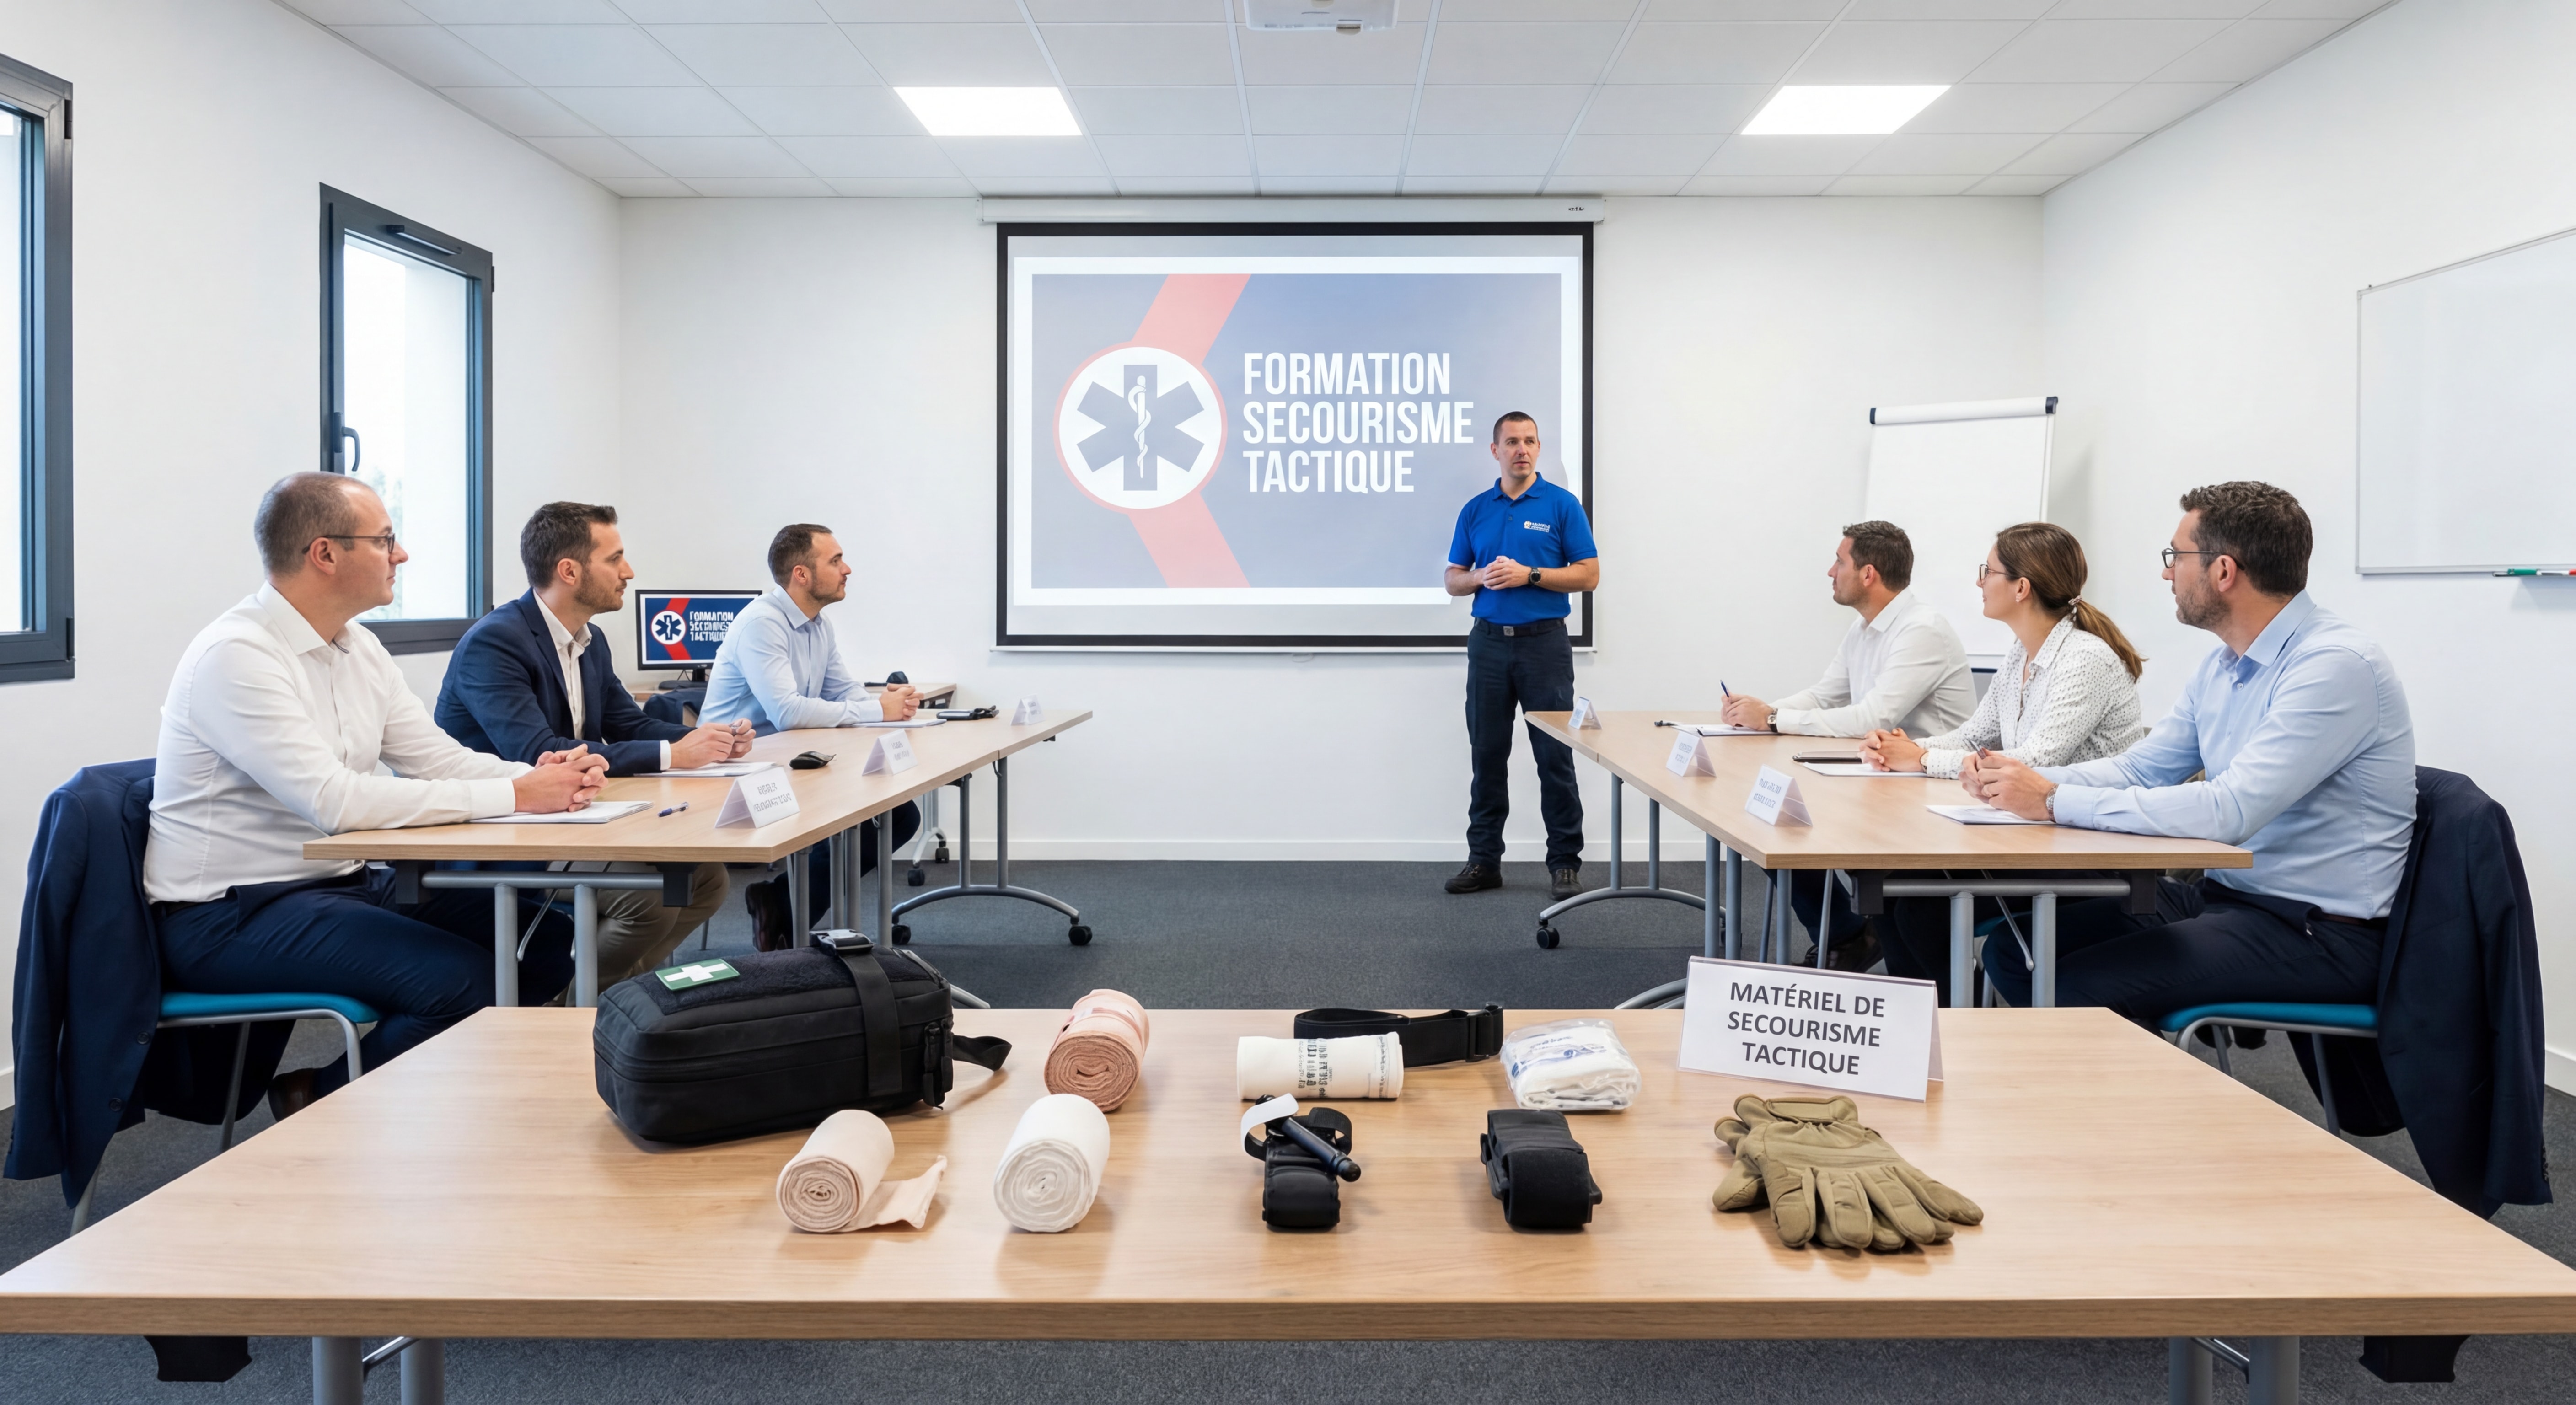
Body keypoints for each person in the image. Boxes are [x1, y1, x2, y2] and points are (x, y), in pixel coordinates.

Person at [148, 473, 605, 1118]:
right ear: (325, 554)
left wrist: (535, 777)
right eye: (385, 539)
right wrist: (516, 794)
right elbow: (334, 803)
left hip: (336, 884)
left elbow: (433, 758)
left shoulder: (356, 645)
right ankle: (324, 1105)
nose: (402, 554)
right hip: (229, 914)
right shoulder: (237, 655)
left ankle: (416, 1098)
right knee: (459, 981)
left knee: (545, 942)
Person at [1964, 482, 2416, 1023]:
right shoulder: (2224, 664)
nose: (2166, 572)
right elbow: (2143, 767)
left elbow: (2230, 812)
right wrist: (2016, 779)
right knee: (2016, 954)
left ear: (2223, 572)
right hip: (2229, 897)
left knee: (2076, 985)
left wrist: (2054, 800)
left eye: (2175, 557)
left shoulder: (2334, 665)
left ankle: (2126, 1104)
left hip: (2318, 929)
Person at [436, 502, 747, 986]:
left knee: (706, 880)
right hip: (495, 828)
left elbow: (629, 725)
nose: (629, 572)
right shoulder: (495, 643)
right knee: (646, 898)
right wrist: (673, 755)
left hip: (562, 817)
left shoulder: (590, 639)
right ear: (569, 571)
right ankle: (564, 1013)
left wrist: (708, 741)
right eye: (615, 558)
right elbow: (537, 751)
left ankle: (609, 1000)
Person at [1855, 522, 2147, 1000]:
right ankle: (1937, 1020)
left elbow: (2037, 760)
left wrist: (1923, 759)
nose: (1978, 582)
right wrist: (1902, 750)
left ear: (2021, 587)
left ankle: (1955, 1027)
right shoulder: (2021, 651)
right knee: (1890, 888)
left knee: (1915, 904)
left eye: (1986, 571)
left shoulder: (2084, 659)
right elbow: (1975, 734)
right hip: (2031, 833)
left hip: (2086, 847)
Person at [1721, 521, 1975, 967]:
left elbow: (1872, 718)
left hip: (1928, 789)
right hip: (1880, 779)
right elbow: (1826, 694)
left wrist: (1776, 719)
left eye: (1839, 562)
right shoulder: (1865, 629)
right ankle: (1849, 933)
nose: (1829, 572)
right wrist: (1761, 714)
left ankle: (1870, 942)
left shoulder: (1922, 631)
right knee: (1773, 818)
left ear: (1868, 575)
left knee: (1788, 822)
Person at [701, 523, 921, 947]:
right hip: (739, 770)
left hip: (793, 761)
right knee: (881, 815)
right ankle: (785, 913)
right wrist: (876, 709)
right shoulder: (762, 624)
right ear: (801, 575)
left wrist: (891, 708)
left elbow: (843, 690)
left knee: (898, 814)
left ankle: (782, 907)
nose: (848, 569)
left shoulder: (818, 624)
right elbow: (786, 712)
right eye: (835, 561)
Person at [1442, 412, 1600, 900]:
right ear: (1495, 451)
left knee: (1554, 756)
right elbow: (1453, 579)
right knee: (1487, 755)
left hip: (1544, 645)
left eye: (1530, 441)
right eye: (1511, 442)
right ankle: (1484, 861)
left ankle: (1565, 864)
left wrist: (1529, 574)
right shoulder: (1475, 509)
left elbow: (1588, 574)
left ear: (1538, 448)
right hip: (1488, 644)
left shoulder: (1561, 505)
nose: (1522, 450)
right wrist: (1480, 577)